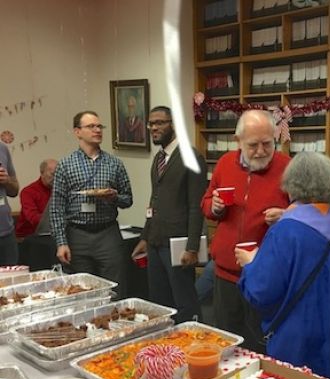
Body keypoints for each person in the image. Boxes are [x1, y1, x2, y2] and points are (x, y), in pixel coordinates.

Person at [236, 152, 330, 379]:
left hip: (297, 340)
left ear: (291, 186)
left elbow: (261, 292)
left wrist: (251, 263)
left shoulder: (285, 232)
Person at [201, 109, 290, 352]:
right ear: (237, 141)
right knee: (226, 343)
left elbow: (304, 215)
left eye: (267, 144)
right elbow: (206, 203)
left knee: (259, 346)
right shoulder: (224, 163)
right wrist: (215, 206)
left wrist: (286, 216)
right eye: (253, 145)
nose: (261, 151)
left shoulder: (287, 167)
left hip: (265, 275)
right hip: (225, 274)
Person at [132, 106, 207, 323]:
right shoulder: (159, 159)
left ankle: (192, 346)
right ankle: (165, 350)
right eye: (151, 124)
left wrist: (192, 247)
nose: (154, 128)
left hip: (178, 245)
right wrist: (145, 237)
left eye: (160, 123)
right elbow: (153, 201)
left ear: (174, 124)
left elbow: (196, 206)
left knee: (185, 303)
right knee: (159, 304)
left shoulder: (191, 157)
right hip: (155, 242)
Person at [50, 111, 133, 297]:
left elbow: (128, 199)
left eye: (99, 126)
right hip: (77, 235)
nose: (97, 130)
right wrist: (61, 243)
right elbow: (56, 208)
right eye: (91, 126)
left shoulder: (114, 164)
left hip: (107, 234)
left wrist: (114, 197)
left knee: (116, 289)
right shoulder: (65, 165)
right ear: (77, 132)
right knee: (82, 291)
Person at [15, 159, 57, 238]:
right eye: (53, 174)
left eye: (59, 174)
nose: (56, 178)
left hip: (51, 234)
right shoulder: (28, 192)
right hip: (29, 236)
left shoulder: (59, 190)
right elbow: (33, 219)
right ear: (42, 173)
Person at [0, 141, 20, 265]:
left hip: (6, 232)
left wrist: (7, 181)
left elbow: (14, 190)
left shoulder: (2, 148)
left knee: (12, 279)